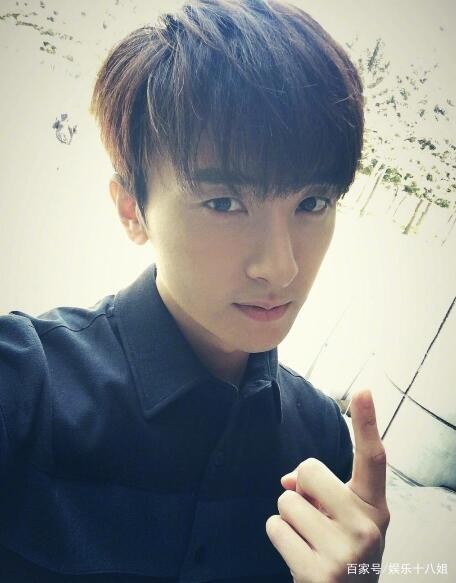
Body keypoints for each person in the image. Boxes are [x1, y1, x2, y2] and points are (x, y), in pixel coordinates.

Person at [0, 0, 390, 580]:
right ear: (132, 210)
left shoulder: (323, 443)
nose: (280, 268)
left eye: (312, 202)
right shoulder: (24, 388)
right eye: (224, 203)